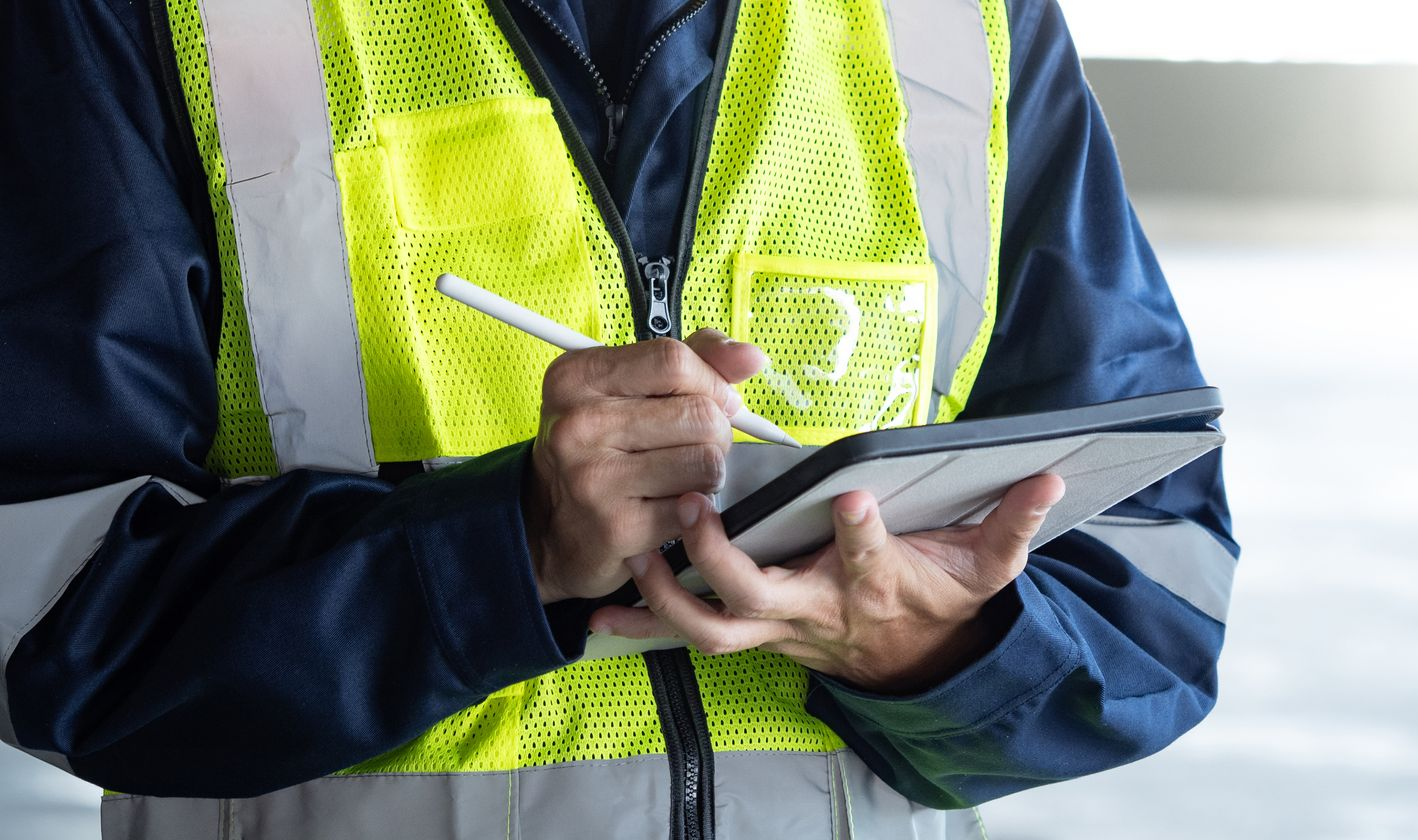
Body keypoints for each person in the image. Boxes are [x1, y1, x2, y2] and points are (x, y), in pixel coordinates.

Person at [0, 0, 1237, 837]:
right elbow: (44, 632)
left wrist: (931, 649)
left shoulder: (956, 22)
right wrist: (510, 549)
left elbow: (1158, 590)